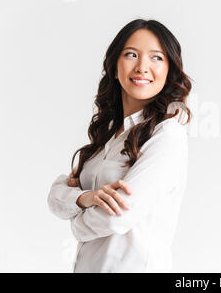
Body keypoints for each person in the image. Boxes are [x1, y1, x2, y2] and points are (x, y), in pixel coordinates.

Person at [47, 19, 192, 272]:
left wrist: (75, 224)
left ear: (169, 71)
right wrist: (85, 197)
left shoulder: (167, 136)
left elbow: (117, 217)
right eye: (131, 54)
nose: (142, 67)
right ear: (115, 68)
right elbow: (56, 195)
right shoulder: (109, 136)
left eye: (156, 58)